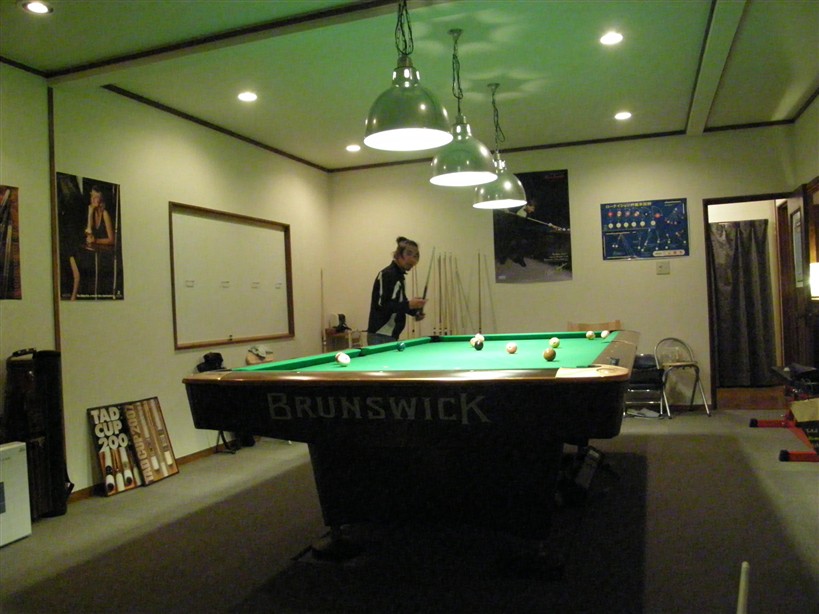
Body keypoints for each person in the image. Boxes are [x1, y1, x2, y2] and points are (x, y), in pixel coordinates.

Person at [367, 236, 427, 346]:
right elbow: (382, 306)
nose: (412, 259)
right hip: (380, 335)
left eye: (415, 256)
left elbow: (399, 304)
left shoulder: (399, 276)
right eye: (409, 254)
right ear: (398, 255)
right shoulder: (387, 274)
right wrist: (409, 304)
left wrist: (415, 311)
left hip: (389, 335)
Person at [69, 185, 115, 300]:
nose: (93, 199)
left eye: (96, 197)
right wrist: (90, 212)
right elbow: (88, 233)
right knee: (74, 253)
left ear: (101, 199)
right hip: (91, 252)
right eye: (92, 196)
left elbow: (111, 240)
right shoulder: (91, 212)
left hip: (103, 254)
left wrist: (96, 240)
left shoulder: (105, 214)